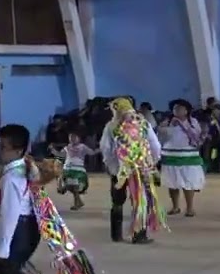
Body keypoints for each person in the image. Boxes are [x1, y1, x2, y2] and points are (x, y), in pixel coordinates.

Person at [0, 124, 104, 274]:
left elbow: (9, 216)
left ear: (18, 150)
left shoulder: (13, 177)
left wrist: (2, 250)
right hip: (29, 229)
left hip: (18, 231)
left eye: (2, 146)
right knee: (13, 271)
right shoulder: (25, 166)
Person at [99, 97, 164, 244]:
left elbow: (106, 148)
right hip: (141, 169)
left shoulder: (111, 126)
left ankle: (116, 235)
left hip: (120, 170)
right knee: (140, 201)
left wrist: (111, 166)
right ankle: (139, 235)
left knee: (117, 201)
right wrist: (153, 161)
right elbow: (155, 145)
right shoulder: (143, 123)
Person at [158, 99, 206, 217]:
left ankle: (190, 208)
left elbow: (197, 135)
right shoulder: (168, 121)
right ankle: (175, 207)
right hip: (171, 155)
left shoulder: (193, 122)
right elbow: (160, 134)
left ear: (186, 111)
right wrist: (168, 128)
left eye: (179, 108)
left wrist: (183, 126)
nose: (177, 110)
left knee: (188, 182)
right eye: (175, 108)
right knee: (172, 183)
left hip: (188, 155)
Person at [52, 132, 94, 210]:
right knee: (73, 187)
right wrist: (53, 151)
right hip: (68, 170)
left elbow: (92, 152)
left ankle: (77, 202)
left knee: (74, 187)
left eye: (74, 137)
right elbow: (60, 155)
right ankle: (77, 202)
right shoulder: (67, 147)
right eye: (71, 137)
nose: (72, 139)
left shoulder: (82, 147)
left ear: (79, 138)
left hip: (78, 170)